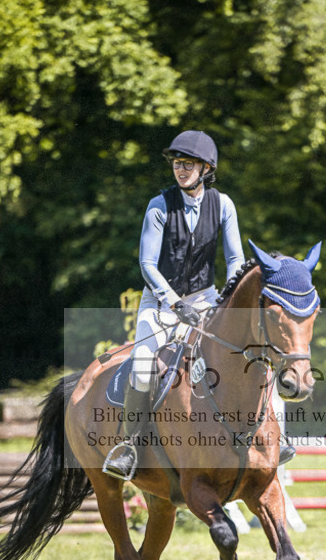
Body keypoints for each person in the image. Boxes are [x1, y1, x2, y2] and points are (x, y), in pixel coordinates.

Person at [103, 130, 246, 480]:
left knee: (245, 354)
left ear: (206, 168)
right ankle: (129, 446)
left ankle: (264, 435)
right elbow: (147, 264)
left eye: (188, 164)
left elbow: (235, 259)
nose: (180, 169)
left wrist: (229, 296)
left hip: (206, 299)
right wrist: (174, 302)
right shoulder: (159, 205)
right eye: (177, 163)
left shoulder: (224, 205)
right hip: (160, 303)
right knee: (142, 366)